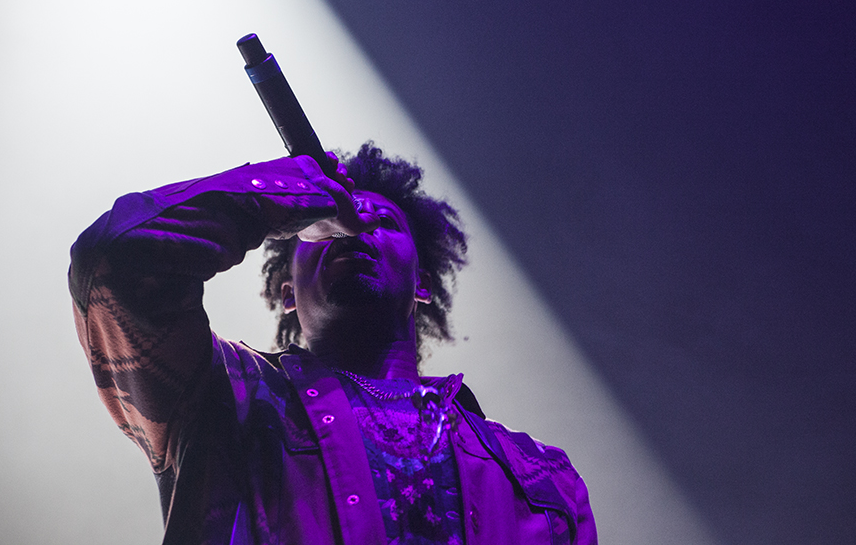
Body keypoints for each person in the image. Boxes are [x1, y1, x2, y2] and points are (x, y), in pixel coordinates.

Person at [69, 142, 596, 545]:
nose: (355, 227)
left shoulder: (539, 477)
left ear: (421, 285)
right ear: (286, 294)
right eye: (323, 229)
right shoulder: (220, 398)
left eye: (382, 222)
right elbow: (116, 260)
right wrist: (295, 195)